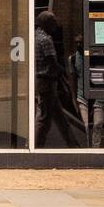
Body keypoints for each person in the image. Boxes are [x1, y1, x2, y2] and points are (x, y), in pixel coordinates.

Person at [35, 10, 83, 147]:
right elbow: (52, 62)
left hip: (41, 81)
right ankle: (36, 147)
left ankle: (73, 145)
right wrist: (63, 75)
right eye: (54, 22)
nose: (56, 25)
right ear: (47, 23)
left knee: (60, 117)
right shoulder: (46, 39)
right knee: (44, 118)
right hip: (47, 82)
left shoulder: (35, 36)